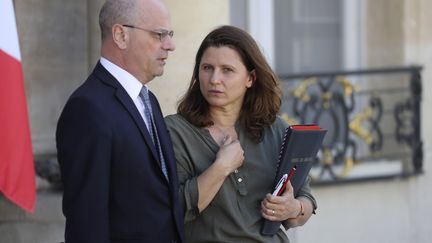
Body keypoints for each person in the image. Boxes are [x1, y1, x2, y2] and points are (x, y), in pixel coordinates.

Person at [165, 25, 317, 242]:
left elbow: (305, 200)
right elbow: (174, 210)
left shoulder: (277, 130)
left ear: (250, 78)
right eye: (207, 67)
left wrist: (293, 209)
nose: (214, 79)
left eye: (227, 70)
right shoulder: (175, 131)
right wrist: (222, 167)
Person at [56, 0, 184, 242]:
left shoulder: (148, 100)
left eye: (170, 35)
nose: (170, 45)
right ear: (120, 35)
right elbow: (87, 221)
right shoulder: (87, 109)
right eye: (160, 34)